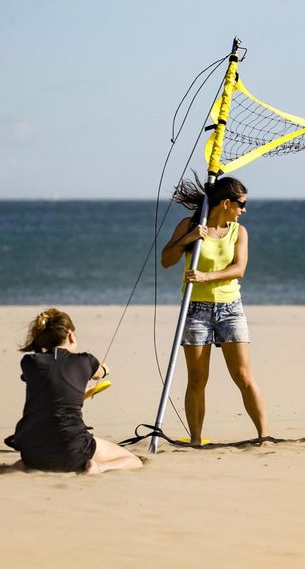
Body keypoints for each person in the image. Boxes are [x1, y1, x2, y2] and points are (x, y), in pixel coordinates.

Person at [161, 176, 268, 443]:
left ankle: (264, 436)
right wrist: (188, 239)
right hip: (195, 309)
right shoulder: (190, 225)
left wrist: (205, 277)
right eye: (241, 204)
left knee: (243, 375)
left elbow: (239, 269)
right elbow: (166, 260)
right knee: (198, 378)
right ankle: (196, 439)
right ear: (226, 203)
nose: (244, 210)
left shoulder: (238, 232)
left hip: (230, 308)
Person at [4, 309, 142, 474]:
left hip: (32, 453)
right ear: (71, 336)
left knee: (28, 459)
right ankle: (99, 467)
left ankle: (22, 466)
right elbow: (99, 373)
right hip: (72, 450)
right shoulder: (86, 361)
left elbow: (52, 386)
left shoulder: (29, 362)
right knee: (134, 460)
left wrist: (79, 392)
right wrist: (104, 370)